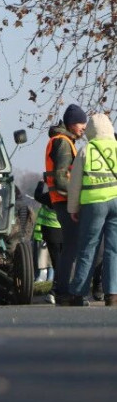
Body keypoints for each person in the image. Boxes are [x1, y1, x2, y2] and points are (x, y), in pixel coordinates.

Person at [66, 113, 117, 307]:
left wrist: (73, 207)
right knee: (114, 249)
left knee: (88, 247)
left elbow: (75, 183)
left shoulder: (86, 150)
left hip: (93, 203)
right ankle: (112, 294)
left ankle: (79, 293)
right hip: (116, 201)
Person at [44, 104, 87, 305]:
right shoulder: (62, 143)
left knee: (70, 247)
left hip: (61, 200)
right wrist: (76, 197)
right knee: (71, 248)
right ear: (71, 123)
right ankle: (63, 291)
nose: (84, 128)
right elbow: (62, 178)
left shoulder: (63, 140)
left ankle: (61, 289)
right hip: (64, 200)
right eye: (81, 124)